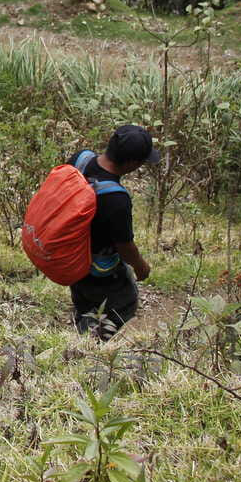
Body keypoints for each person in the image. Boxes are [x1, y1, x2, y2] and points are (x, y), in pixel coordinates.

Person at [69, 124, 158, 340]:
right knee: (125, 303)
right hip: (98, 267)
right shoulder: (116, 198)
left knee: (85, 302)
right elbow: (125, 247)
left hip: (72, 256)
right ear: (132, 163)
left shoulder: (81, 159)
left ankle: (83, 324)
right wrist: (141, 267)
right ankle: (93, 344)